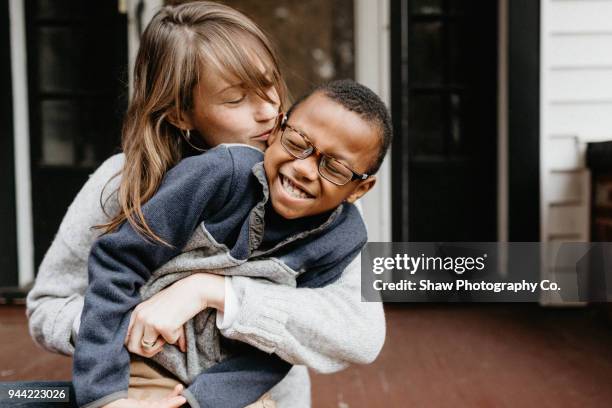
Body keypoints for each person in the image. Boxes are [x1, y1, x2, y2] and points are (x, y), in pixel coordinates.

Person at [26, 2, 386, 407]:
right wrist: (129, 333)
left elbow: (361, 332)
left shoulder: (319, 200)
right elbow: (47, 307)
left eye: (270, 84)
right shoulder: (121, 183)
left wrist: (212, 292)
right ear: (182, 113)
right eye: (237, 99)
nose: (269, 110)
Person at [74, 79, 392, 408]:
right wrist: (103, 394)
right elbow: (118, 262)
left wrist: (203, 401)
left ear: (360, 189)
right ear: (278, 128)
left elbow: (278, 345)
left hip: (226, 389)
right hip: (145, 361)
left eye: (334, 167)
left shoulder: (340, 241)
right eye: (297, 142)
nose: (303, 168)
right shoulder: (219, 175)